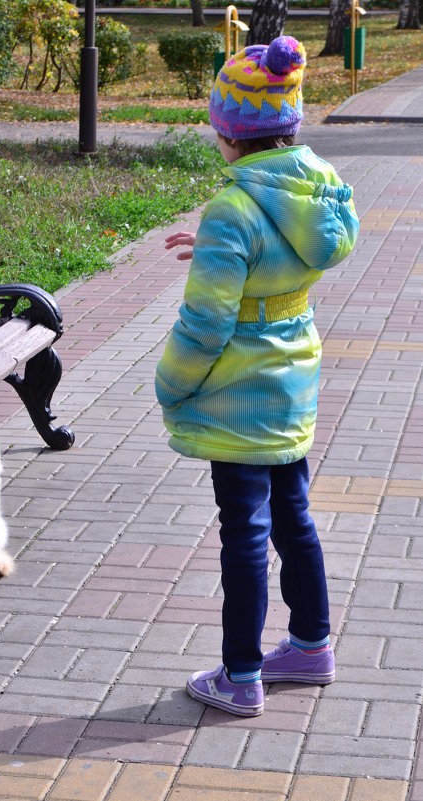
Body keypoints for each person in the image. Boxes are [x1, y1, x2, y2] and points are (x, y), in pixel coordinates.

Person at [154, 35, 360, 717]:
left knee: (242, 528)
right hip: (292, 380)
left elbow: (207, 326)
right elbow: (268, 270)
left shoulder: (232, 210)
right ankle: (310, 643)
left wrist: (171, 382)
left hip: (239, 397)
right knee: (293, 515)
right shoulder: (316, 190)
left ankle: (241, 674)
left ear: (229, 133)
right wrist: (209, 252)